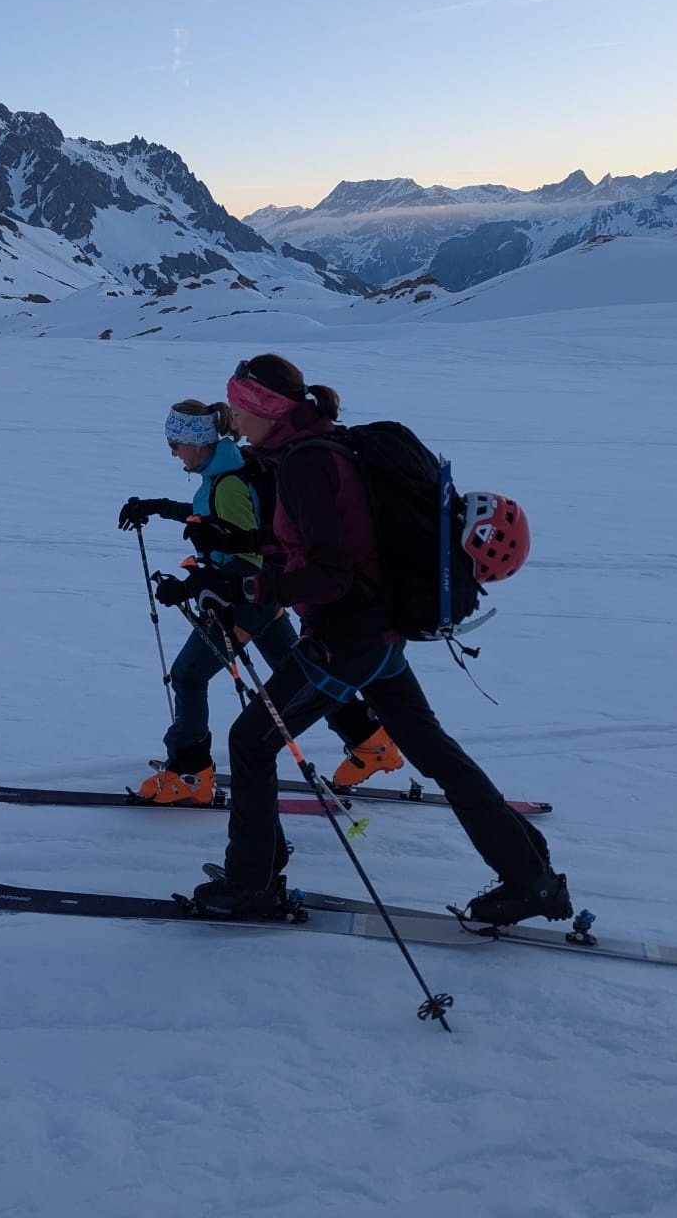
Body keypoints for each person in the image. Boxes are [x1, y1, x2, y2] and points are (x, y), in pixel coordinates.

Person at [184, 354, 572, 928]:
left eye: (240, 406)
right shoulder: (323, 448)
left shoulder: (306, 465)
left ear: (267, 409)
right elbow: (320, 548)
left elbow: (331, 571)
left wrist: (248, 584)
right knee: (436, 752)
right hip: (381, 633)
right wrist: (235, 562)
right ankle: (531, 877)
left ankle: (251, 883)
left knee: (249, 742)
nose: (233, 420)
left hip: (347, 639)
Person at [119, 399, 401, 804]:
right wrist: (159, 508)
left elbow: (248, 554)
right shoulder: (226, 472)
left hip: (243, 603)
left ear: (197, 442)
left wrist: (191, 586)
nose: (173, 452)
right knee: (304, 677)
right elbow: (215, 520)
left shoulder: (227, 484)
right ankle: (370, 741)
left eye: (175, 443)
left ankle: (191, 774)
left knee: (188, 676)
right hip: (263, 604)